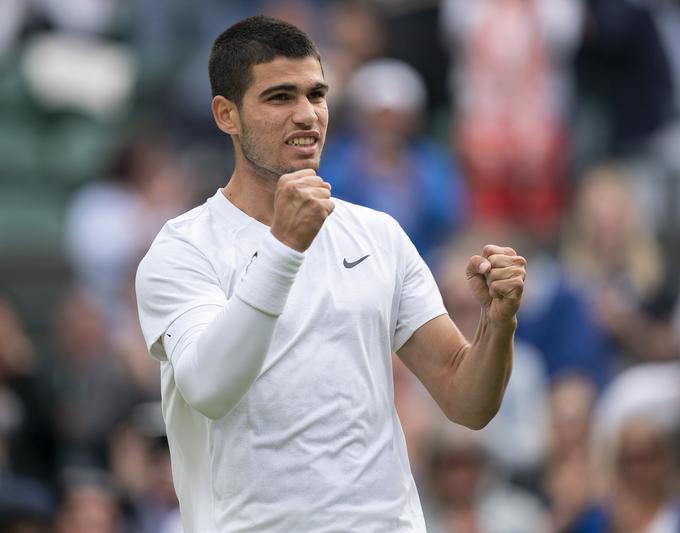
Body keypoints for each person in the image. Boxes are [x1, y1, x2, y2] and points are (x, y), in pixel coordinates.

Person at [135, 15, 527, 533]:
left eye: (316, 95)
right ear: (225, 114)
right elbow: (209, 386)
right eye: (279, 97)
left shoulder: (379, 234)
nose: (307, 115)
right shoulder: (183, 249)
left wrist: (496, 324)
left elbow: (466, 400)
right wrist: (285, 245)